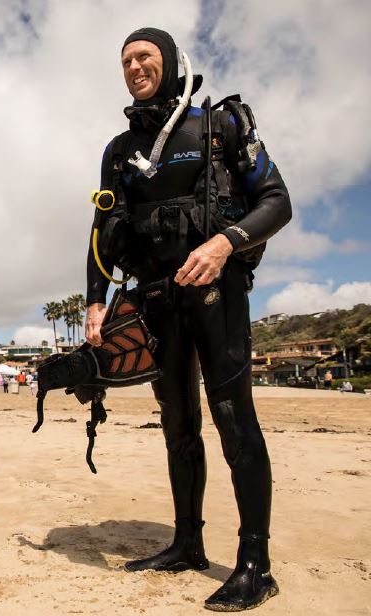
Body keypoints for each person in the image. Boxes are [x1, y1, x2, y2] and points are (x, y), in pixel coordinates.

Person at [85, 28, 291, 611]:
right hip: (157, 302)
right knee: (178, 424)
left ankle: (256, 565)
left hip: (216, 295)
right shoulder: (119, 151)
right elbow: (102, 230)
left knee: (233, 420)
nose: (134, 67)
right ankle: (187, 544)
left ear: (172, 62)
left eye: (144, 56)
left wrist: (226, 243)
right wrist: (95, 300)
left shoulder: (219, 126)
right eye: (126, 60)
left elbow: (278, 201)